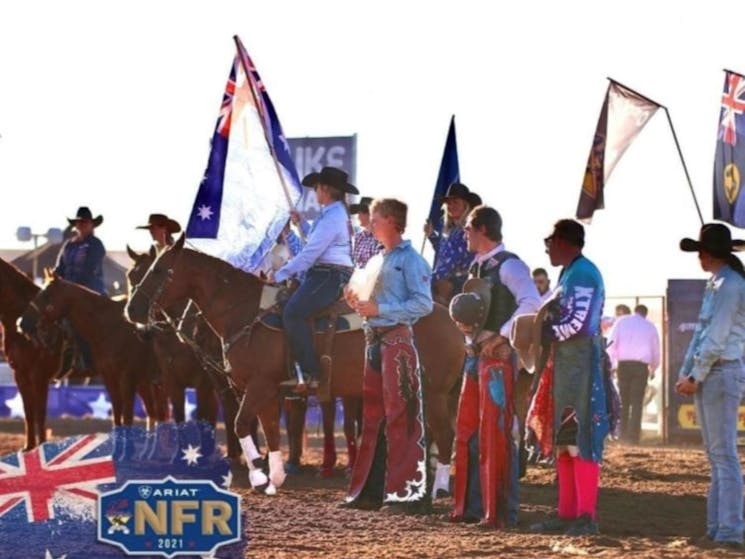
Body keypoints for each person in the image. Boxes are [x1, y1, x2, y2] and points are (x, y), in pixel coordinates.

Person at [449, 206, 540, 527]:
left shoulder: (509, 265)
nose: (465, 234)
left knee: (495, 434)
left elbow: (532, 303)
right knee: (469, 432)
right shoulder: (478, 267)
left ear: (483, 229)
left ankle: (498, 511)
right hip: (476, 356)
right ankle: (472, 508)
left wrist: (502, 337)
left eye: (468, 229)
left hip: (497, 360)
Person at [342, 198, 432, 514]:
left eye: (376, 218)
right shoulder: (377, 259)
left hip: (397, 343)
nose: (370, 223)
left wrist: (381, 309)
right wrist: (356, 301)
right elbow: (366, 300)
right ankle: (369, 492)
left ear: (392, 221)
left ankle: (406, 495)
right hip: (375, 341)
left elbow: (424, 304)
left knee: (401, 416)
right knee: (372, 419)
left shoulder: (412, 261)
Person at [528, 219, 609, 536]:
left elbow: (580, 322)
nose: (547, 247)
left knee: (579, 441)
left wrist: (546, 331)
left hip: (580, 367)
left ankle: (585, 517)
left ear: (563, 241)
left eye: (549, 240)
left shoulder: (584, 273)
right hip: (567, 365)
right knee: (565, 443)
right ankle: (568, 514)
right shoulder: (572, 273)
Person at [676, 223, 745, 550]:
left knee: (722, 454)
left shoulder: (729, 286)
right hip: (715, 373)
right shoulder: (721, 282)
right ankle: (720, 527)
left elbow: (715, 336)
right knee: (718, 454)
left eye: (701, 250)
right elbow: (706, 335)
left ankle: (728, 529)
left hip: (720, 372)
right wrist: (689, 372)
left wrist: (694, 374)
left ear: (710, 253)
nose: (699, 256)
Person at [271, 167, 357, 401]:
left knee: (293, 313)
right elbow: (317, 242)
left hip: (328, 275)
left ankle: (310, 373)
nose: (315, 192)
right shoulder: (333, 214)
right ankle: (297, 369)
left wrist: (278, 276)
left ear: (325, 189)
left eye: (317, 187)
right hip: (325, 273)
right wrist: (304, 225)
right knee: (287, 306)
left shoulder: (333, 216)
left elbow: (310, 254)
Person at [607, 304, 660, 444]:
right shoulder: (650, 326)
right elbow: (656, 350)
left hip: (623, 365)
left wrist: (612, 365)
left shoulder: (621, 322)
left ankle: (622, 434)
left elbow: (611, 343)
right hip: (640, 367)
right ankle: (633, 437)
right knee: (637, 402)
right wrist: (653, 369)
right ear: (645, 314)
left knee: (623, 401)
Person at [424, 182, 478, 304]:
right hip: (445, 284)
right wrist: (432, 236)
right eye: (448, 203)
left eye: (456, 202)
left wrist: (423, 281)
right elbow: (444, 253)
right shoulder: (450, 230)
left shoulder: (466, 232)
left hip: (458, 288)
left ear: (466, 206)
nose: (451, 206)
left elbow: (450, 263)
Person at [54, 206, 107, 295]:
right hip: (66, 288)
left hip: (90, 290)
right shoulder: (69, 245)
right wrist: (55, 276)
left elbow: (89, 269)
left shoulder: (96, 244)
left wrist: (71, 285)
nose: (82, 224)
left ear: (92, 224)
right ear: (76, 225)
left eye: (85, 221)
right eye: (80, 222)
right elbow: (60, 267)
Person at [350, 196, 382, 268]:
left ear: (369, 214)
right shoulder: (358, 237)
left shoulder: (381, 238)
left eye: (360, 213)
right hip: (358, 277)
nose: (358, 217)